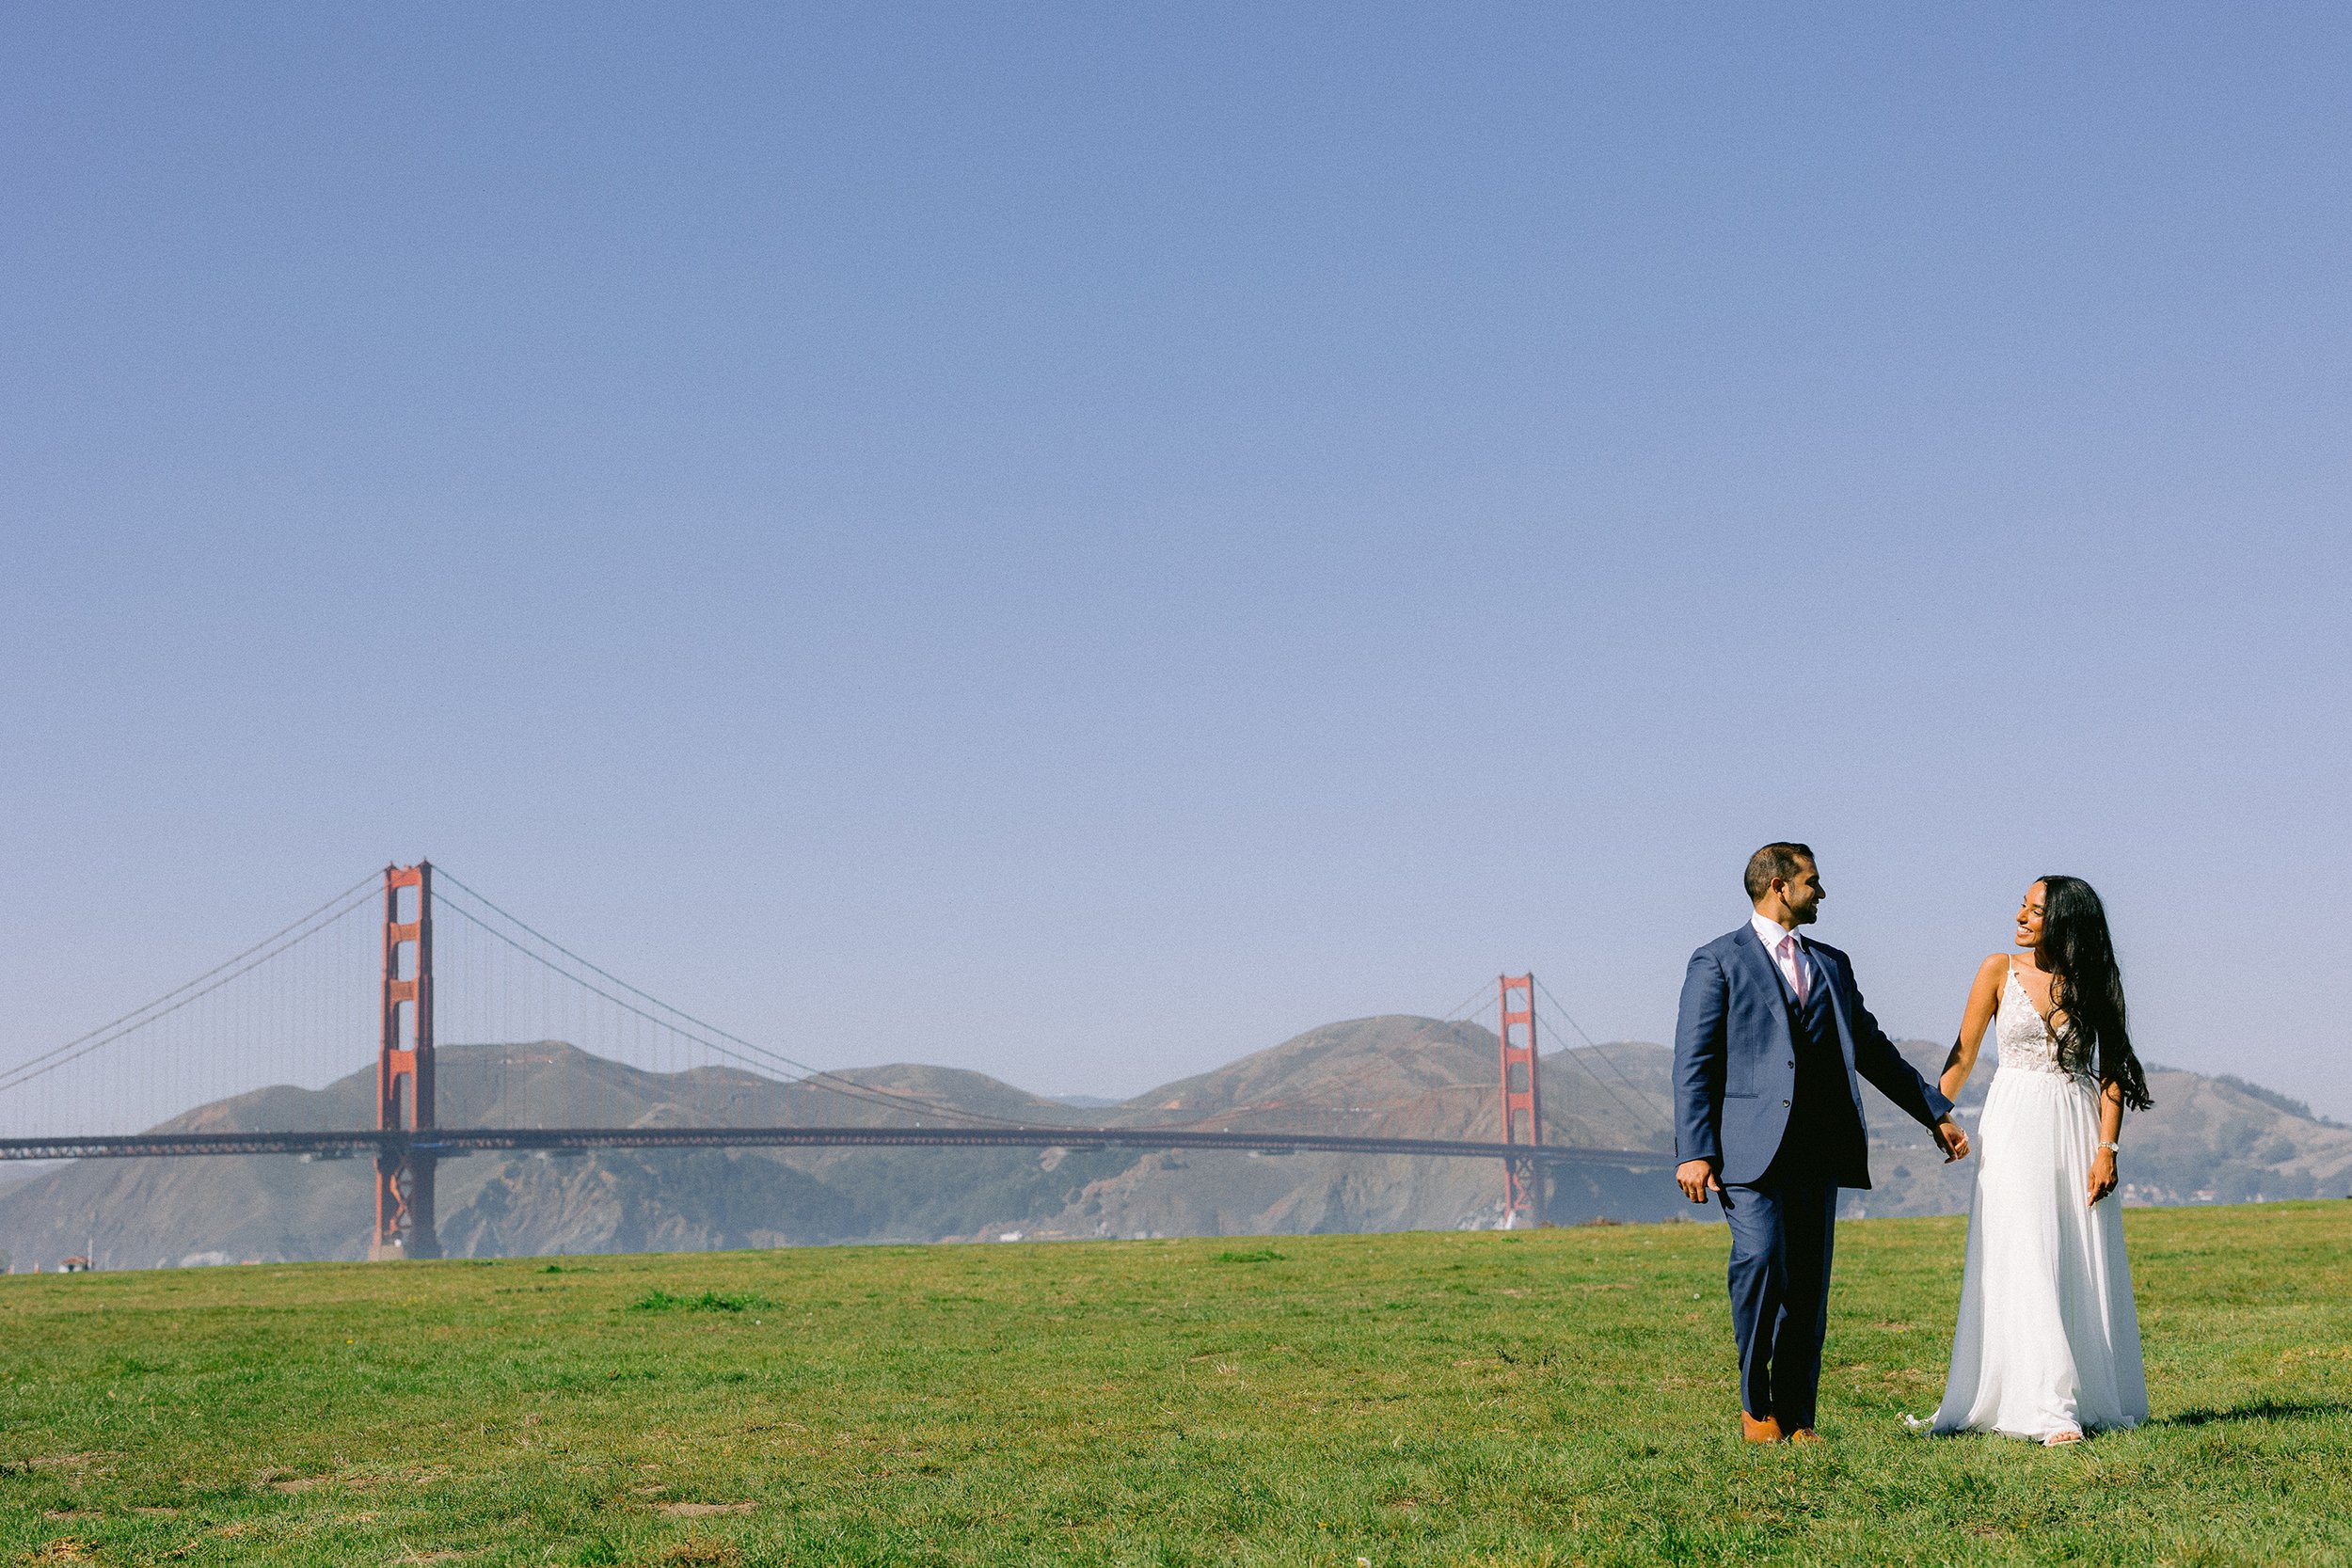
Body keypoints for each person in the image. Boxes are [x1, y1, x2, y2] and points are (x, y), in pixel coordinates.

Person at [1673, 843, 1971, 1444]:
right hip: (1747, 1152)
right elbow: (1695, 1061)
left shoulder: (1832, 964)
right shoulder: (1717, 961)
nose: (1823, 892)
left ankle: (1799, 1416)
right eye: (1813, 881)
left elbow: (1872, 1048)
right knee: (1759, 1262)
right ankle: (1758, 1410)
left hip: (1819, 1148)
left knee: (1807, 1285)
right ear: (1779, 886)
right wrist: (1694, 1148)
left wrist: (1932, 1111)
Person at [1926, 877, 2150, 1444]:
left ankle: (2085, 1392)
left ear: (2067, 922)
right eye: (2022, 905)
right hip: (2015, 1121)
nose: (2021, 915)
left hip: (2077, 1127)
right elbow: (1965, 1052)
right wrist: (1936, 1112)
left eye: (2036, 910)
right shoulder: (1997, 969)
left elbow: (2112, 1072)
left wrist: (2107, 1149)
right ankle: (2045, 1406)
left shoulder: (2092, 981)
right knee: (2024, 1248)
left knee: (2077, 1249)